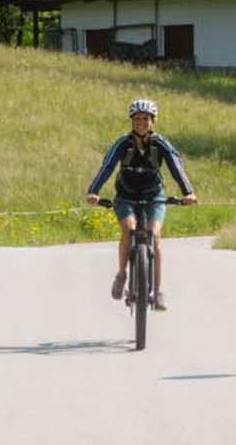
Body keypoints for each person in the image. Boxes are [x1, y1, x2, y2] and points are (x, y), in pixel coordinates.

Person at [84, 98, 197, 310]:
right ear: (131, 121)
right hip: (126, 195)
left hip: (154, 196)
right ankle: (122, 273)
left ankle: (158, 291)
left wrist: (188, 193)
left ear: (153, 121)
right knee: (128, 229)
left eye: (145, 119)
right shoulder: (123, 144)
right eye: (137, 119)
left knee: (154, 234)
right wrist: (93, 191)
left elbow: (176, 167)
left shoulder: (161, 144)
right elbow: (107, 166)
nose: (141, 123)